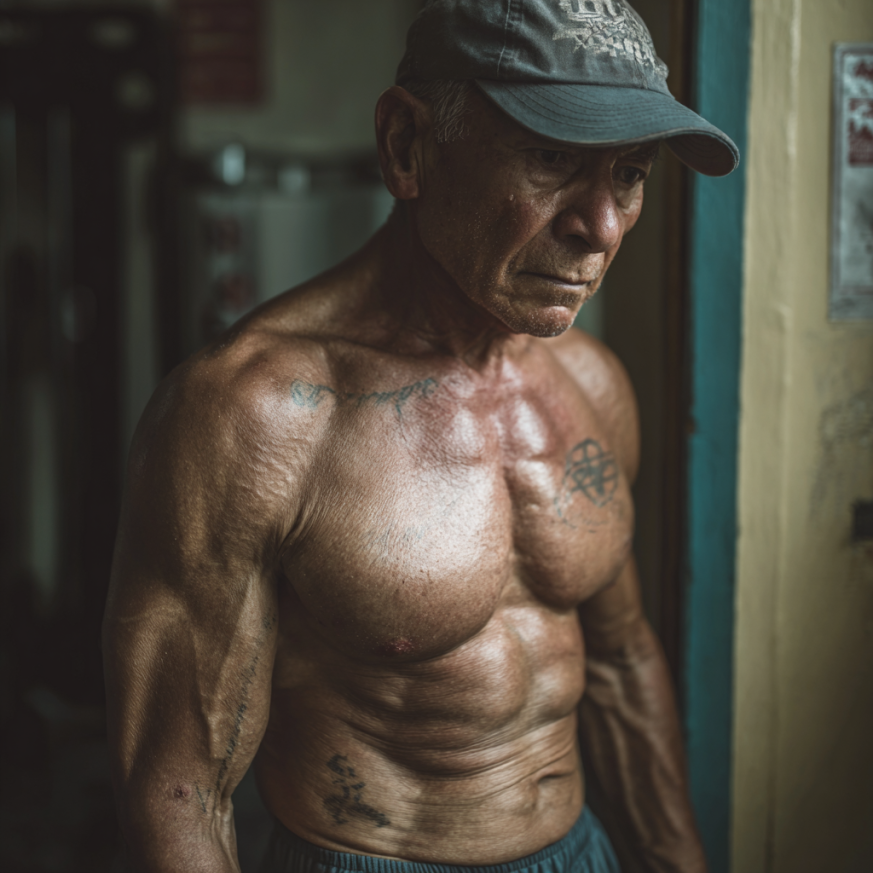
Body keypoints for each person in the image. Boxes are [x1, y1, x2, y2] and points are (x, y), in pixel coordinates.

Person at [103, 1, 737, 871]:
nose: (602, 227)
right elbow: (178, 785)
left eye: (628, 173)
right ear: (408, 146)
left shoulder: (590, 384)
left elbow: (623, 668)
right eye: (550, 158)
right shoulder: (254, 415)